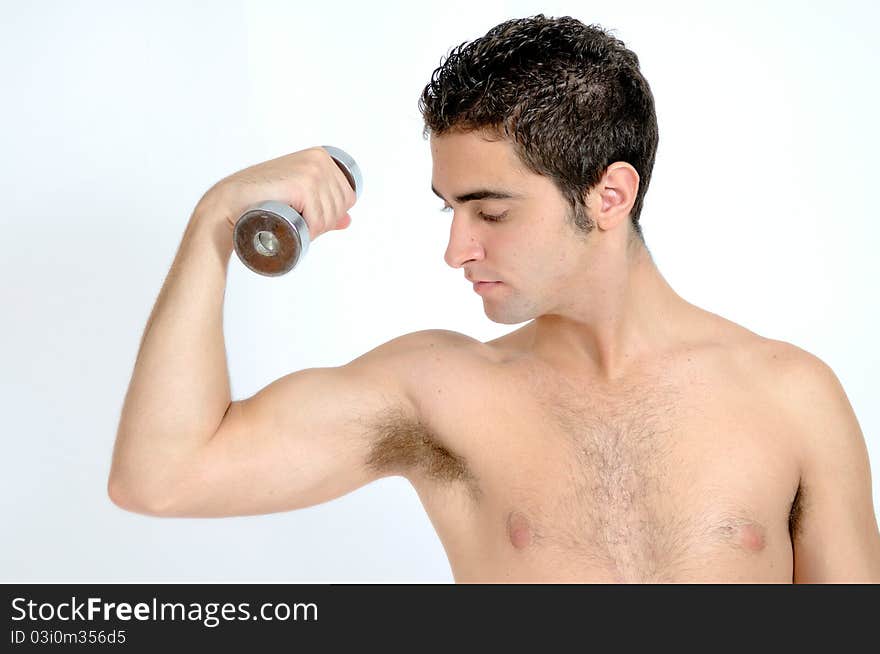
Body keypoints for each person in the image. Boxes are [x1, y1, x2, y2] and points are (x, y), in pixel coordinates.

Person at [109, 14, 880, 583]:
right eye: (451, 209)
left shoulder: (791, 396)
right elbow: (162, 476)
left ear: (609, 195)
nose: (457, 249)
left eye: (492, 212)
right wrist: (214, 221)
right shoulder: (441, 393)